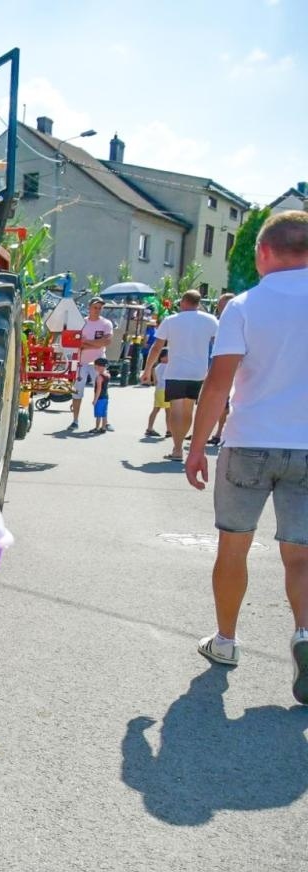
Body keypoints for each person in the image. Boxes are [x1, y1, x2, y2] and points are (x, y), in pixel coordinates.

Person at [183, 211, 308, 705]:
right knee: (300, 555)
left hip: (249, 441)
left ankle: (227, 642)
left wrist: (195, 447)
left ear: (263, 252)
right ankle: (304, 635)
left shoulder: (245, 305)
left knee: (233, 547)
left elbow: (219, 383)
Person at [145, 290, 219, 461]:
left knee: (175, 411)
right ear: (198, 303)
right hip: (198, 372)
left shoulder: (171, 321)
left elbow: (157, 347)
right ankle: (180, 447)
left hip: (176, 371)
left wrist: (148, 369)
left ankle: (177, 448)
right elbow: (219, 345)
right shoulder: (210, 320)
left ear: (184, 302)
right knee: (188, 410)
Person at [69, 297, 114, 431]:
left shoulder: (106, 323)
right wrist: (95, 343)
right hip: (81, 362)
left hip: (99, 363)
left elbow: (106, 341)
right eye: (95, 307)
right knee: (77, 392)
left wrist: (87, 343)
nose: (98, 310)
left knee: (102, 393)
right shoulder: (81, 323)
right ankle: (75, 420)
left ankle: (104, 422)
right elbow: (77, 343)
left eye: (100, 308)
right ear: (89, 308)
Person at [208, 291, 236, 445]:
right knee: (220, 403)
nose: (218, 308)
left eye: (221, 305)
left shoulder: (234, 321)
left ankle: (220, 433)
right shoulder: (218, 321)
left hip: (231, 370)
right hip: (215, 363)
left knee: (224, 403)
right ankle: (217, 433)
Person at [141, 347, 169, 438]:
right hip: (165, 390)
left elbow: (155, 382)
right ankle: (169, 430)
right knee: (169, 411)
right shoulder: (168, 367)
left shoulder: (156, 367)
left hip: (158, 390)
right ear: (163, 357)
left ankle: (149, 428)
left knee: (155, 410)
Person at [89, 356, 112, 433]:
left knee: (98, 414)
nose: (95, 367)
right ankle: (103, 428)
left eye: (96, 365)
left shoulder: (99, 377)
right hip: (106, 397)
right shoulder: (107, 375)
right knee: (104, 413)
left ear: (100, 366)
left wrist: (95, 400)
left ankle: (97, 428)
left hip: (100, 398)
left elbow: (98, 389)